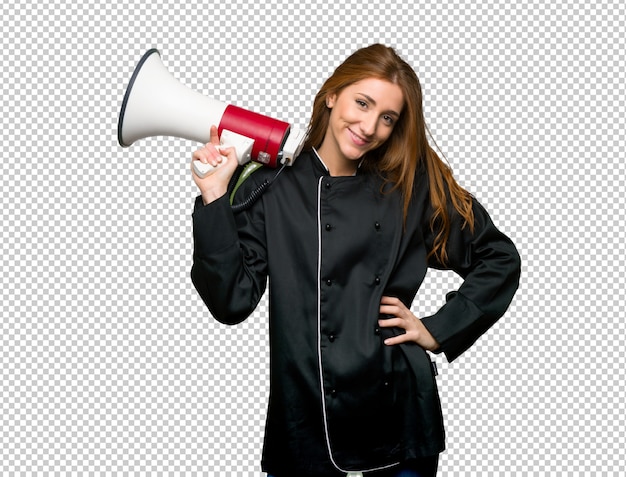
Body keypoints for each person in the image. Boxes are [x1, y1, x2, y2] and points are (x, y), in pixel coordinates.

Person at [189, 44, 521, 477]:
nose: (369, 127)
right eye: (361, 103)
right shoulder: (271, 186)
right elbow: (230, 302)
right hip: (304, 425)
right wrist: (215, 195)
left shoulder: (409, 184)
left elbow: (498, 256)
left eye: (388, 118)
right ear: (332, 94)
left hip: (398, 420)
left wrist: (437, 330)